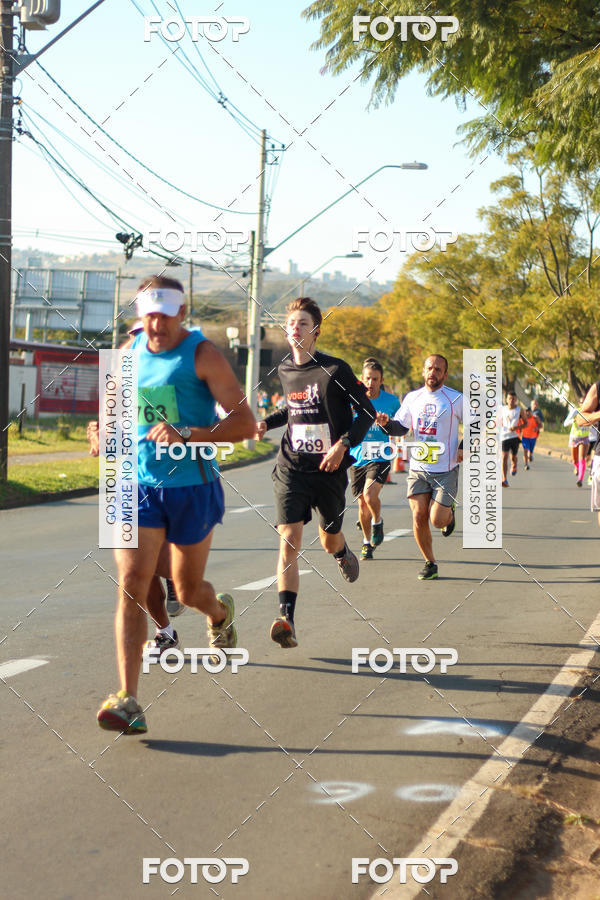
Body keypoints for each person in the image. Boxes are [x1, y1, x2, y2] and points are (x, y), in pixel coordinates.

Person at [96, 275, 255, 734]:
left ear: (182, 313)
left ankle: (219, 612)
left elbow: (245, 423)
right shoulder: (127, 358)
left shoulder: (202, 355)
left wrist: (189, 433)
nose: (156, 324)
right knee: (131, 581)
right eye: (149, 315)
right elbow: (112, 414)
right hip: (138, 484)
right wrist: (99, 434)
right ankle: (128, 699)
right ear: (139, 313)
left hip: (192, 487)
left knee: (186, 590)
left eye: (165, 316)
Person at [256, 297, 375, 648]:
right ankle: (286, 619)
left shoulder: (336, 370)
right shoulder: (284, 369)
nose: (295, 328)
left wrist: (342, 444)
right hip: (292, 467)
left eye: (303, 324)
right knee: (288, 540)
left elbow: (366, 413)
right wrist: (266, 421)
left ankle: (341, 552)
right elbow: (293, 412)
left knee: (328, 539)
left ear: (316, 332)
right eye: (291, 323)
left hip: (330, 469)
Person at [378, 354, 463, 580]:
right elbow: (401, 428)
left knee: (437, 520)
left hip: (446, 469)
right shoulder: (413, 398)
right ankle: (430, 562)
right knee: (418, 517)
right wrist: (387, 425)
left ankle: (449, 516)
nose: (433, 373)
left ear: (445, 374)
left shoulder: (455, 399)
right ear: (423, 372)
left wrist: (464, 445)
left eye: (438, 369)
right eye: (429, 368)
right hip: (418, 469)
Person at [350, 358, 400, 560]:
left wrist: (388, 424)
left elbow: (401, 425)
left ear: (381, 380)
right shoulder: (353, 400)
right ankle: (366, 543)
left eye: (375, 379)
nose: (371, 382)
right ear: (362, 379)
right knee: (362, 504)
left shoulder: (391, 401)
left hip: (380, 455)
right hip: (356, 457)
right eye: (368, 378)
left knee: (370, 495)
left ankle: (377, 521)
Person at [500, 391, 526, 487]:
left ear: (516, 400)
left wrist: (517, 428)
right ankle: (504, 479)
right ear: (506, 399)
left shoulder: (520, 410)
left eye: (513, 399)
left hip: (515, 436)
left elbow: (526, 423)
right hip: (504, 436)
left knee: (513, 457)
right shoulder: (502, 409)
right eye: (510, 398)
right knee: (504, 457)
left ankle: (514, 464)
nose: (511, 400)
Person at [566, 394, 590, 487]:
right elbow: (565, 423)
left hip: (584, 438)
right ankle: (577, 467)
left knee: (581, 458)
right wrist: (573, 421)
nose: (583, 404)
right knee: (574, 460)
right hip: (574, 438)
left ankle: (580, 479)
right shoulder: (575, 411)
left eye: (585, 402)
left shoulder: (589, 412)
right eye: (582, 402)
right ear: (579, 403)